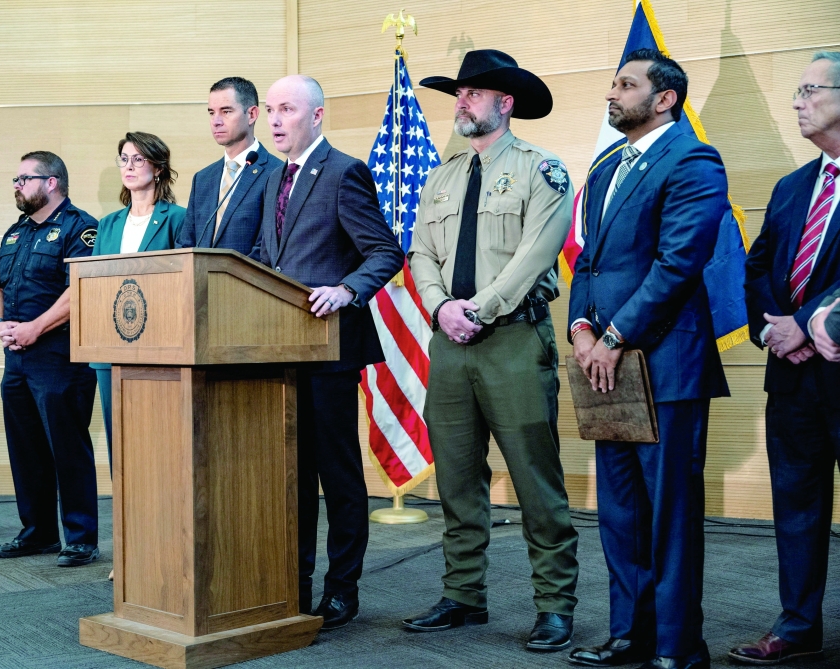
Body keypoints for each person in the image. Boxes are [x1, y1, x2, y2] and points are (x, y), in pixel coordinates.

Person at [403, 49, 579, 653]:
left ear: (505, 103)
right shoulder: (444, 175)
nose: (461, 102)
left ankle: (554, 605)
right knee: (456, 478)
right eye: (459, 94)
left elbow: (536, 255)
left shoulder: (541, 169)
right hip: (451, 343)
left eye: (473, 93)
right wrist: (440, 308)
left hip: (512, 340)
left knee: (535, 481)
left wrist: (477, 309)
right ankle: (463, 595)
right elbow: (421, 252)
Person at [567, 49, 729, 669]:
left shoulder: (692, 159)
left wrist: (614, 337)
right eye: (613, 84)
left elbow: (678, 263)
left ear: (664, 99)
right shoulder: (608, 165)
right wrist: (582, 328)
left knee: (670, 517)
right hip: (605, 368)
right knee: (621, 513)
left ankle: (677, 647)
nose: (612, 94)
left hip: (666, 366)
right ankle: (629, 636)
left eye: (626, 85)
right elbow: (587, 260)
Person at [255, 74, 403, 630]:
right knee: (291, 477)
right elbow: (268, 256)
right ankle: (293, 584)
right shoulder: (273, 178)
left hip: (329, 351)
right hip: (279, 352)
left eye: (287, 109)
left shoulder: (344, 172)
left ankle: (342, 588)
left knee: (337, 477)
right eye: (270, 109)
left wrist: (346, 289)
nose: (275, 120)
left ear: (316, 115)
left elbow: (384, 252)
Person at [731, 51, 840, 666]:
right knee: (797, 507)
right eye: (796, 91)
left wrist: (806, 322)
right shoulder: (792, 185)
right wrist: (776, 332)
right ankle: (798, 627)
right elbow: (756, 268)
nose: (797, 102)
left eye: (810, 90)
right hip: (793, 378)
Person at [0, 151, 100, 567]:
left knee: (67, 448)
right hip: (17, 359)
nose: (17, 186)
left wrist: (35, 327)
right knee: (26, 449)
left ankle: (81, 538)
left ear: (51, 182)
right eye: (16, 180)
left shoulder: (80, 228)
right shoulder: (16, 231)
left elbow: (80, 290)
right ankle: (38, 532)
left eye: (24, 179)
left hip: (60, 357)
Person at [92, 132, 185, 467]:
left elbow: (182, 281)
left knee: (158, 441)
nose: (129, 166)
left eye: (138, 159)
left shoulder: (178, 219)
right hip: (110, 347)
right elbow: (95, 284)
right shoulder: (107, 225)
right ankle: (123, 503)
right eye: (124, 159)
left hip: (159, 346)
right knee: (120, 443)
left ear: (158, 168)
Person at [176, 77, 282, 254]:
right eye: (211, 113)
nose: (216, 121)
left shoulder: (277, 173)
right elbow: (185, 245)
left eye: (226, 111)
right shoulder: (202, 179)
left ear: (252, 114)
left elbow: (265, 251)